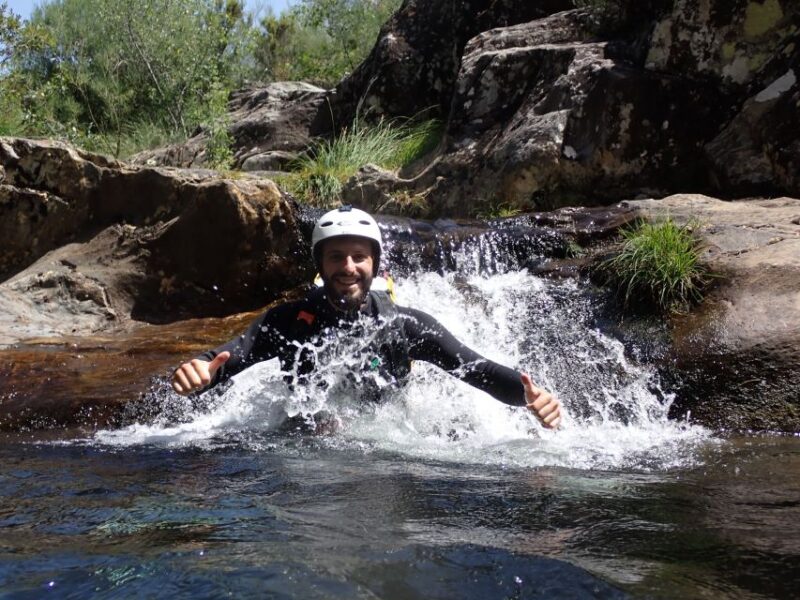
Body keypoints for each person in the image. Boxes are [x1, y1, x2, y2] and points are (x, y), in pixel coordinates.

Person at [171, 206, 562, 429]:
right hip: (303, 455)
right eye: (336, 257)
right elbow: (228, 358)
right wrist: (201, 370)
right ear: (320, 266)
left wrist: (527, 396)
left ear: (374, 264)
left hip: (384, 445)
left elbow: (475, 368)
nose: (348, 267)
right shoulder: (287, 321)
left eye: (359, 257)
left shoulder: (405, 325)